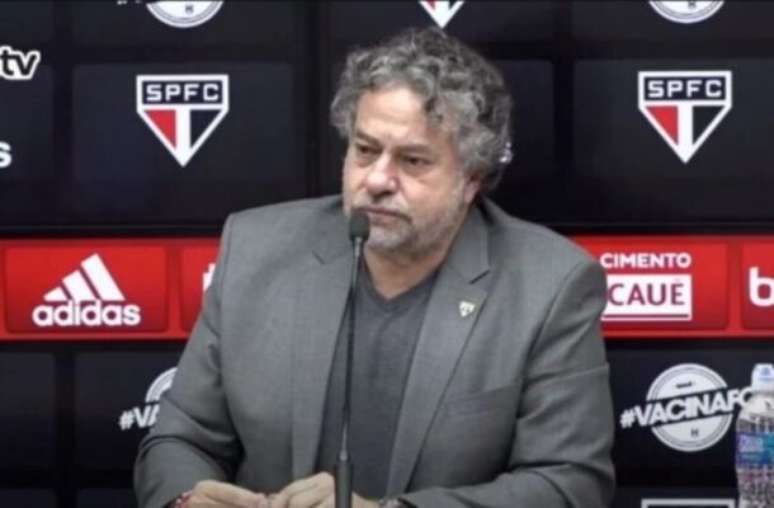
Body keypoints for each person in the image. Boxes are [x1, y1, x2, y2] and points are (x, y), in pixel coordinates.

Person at [134, 27, 615, 508]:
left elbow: (568, 484)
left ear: (471, 178)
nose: (378, 179)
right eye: (365, 150)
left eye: (413, 161)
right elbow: (180, 439)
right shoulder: (255, 249)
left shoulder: (550, 285)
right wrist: (185, 500)